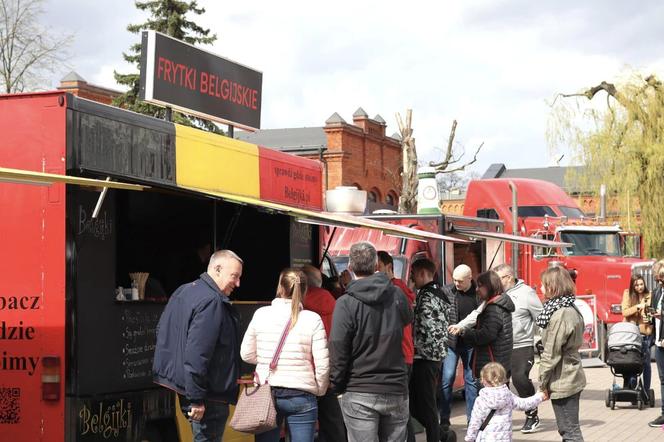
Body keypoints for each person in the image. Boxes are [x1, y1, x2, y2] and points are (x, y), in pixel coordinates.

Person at [152, 250, 243, 442]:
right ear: (217, 269)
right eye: (234, 276)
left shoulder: (183, 290)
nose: (237, 283)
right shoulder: (212, 301)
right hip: (207, 393)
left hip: (190, 388)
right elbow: (197, 354)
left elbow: (163, 333)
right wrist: (197, 399)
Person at [329, 241, 413, 442]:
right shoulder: (396, 294)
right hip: (394, 386)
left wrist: (336, 385)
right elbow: (408, 319)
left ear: (350, 266)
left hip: (360, 389)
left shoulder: (345, 303)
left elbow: (338, 347)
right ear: (377, 265)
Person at [240, 268, 330, 442]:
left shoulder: (261, 314)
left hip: (267, 391)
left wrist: (266, 360)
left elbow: (246, 354)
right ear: (304, 291)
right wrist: (319, 389)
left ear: (280, 288)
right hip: (302, 394)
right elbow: (322, 363)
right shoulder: (313, 319)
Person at [537, 266, 586, 442]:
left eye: (543, 285)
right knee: (570, 429)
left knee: (569, 431)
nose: (540, 288)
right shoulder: (569, 305)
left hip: (563, 378)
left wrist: (542, 382)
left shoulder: (561, 313)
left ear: (553, 286)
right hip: (569, 374)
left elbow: (551, 352)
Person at [493, 263, 543, 433]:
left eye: (498, 279)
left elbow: (541, 318)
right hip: (502, 345)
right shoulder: (496, 294)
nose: (495, 282)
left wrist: (543, 340)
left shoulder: (527, 293)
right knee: (500, 383)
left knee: (519, 378)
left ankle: (532, 414)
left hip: (522, 344)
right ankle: (503, 418)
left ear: (508, 278)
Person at [300, 264, 347, 442]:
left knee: (302, 424)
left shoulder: (299, 305)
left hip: (303, 372)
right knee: (332, 419)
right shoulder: (334, 303)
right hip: (328, 369)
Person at [376, 251, 417, 442]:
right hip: (400, 355)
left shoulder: (395, 290)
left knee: (399, 412)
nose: (375, 271)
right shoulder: (396, 288)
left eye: (378, 267)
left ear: (388, 267)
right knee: (400, 411)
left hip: (400, 356)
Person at [409, 258, 451, 442]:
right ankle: (442, 435)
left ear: (422, 273)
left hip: (424, 357)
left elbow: (423, 328)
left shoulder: (426, 295)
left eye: (413, 274)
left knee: (424, 405)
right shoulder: (440, 293)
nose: (411, 278)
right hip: (436, 356)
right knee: (424, 404)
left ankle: (437, 437)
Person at [464, 362, 547, 442]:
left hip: (486, 438)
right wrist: (540, 396)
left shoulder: (481, 400)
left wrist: (469, 438)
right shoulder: (507, 395)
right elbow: (524, 404)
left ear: (483, 380)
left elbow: (475, 422)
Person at [440, 264, 479, 428]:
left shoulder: (478, 293)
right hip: (452, 343)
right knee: (447, 379)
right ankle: (444, 420)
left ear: (470, 278)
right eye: (454, 280)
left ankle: (471, 420)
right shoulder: (447, 291)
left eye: (460, 281)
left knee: (471, 381)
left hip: (471, 342)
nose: (456, 284)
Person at [459, 271, 515, 381]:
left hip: (492, 364)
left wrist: (465, 332)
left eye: (480, 286)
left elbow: (486, 335)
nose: (477, 289)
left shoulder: (494, 308)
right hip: (499, 362)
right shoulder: (499, 303)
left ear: (489, 286)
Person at [621, 274, 653, 390]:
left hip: (645, 333)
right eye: (637, 285)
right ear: (632, 286)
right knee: (632, 362)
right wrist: (638, 307)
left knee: (646, 364)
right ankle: (632, 387)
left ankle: (647, 390)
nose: (639, 287)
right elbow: (624, 312)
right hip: (631, 334)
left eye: (641, 284)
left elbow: (651, 314)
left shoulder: (649, 295)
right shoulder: (627, 294)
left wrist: (649, 318)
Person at [649, 259, 664, 427]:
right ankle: (663, 413)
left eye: (662, 278)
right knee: (662, 379)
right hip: (659, 341)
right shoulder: (657, 292)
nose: (659, 281)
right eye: (657, 278)